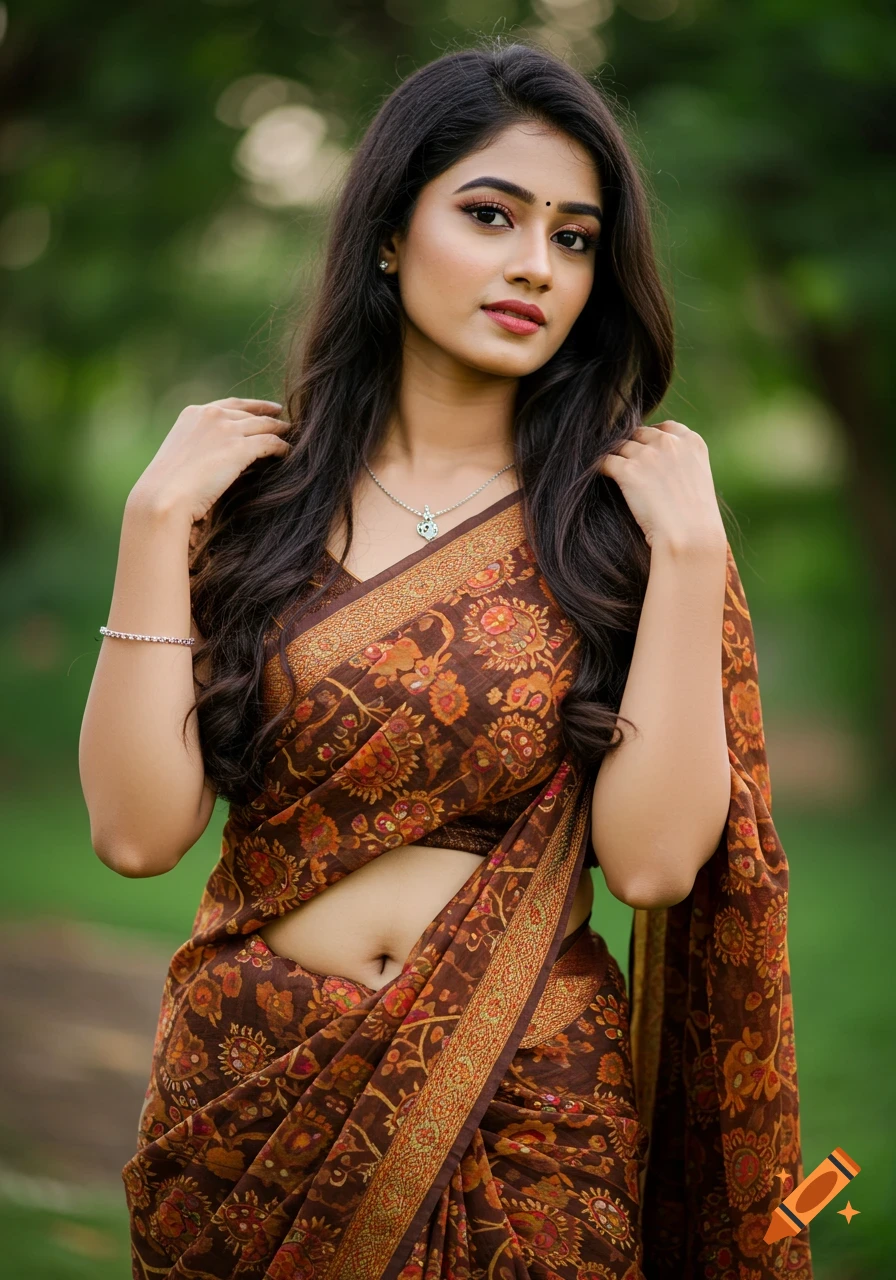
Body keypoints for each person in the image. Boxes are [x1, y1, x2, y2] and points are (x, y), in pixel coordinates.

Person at [79, 38, 813, 1280]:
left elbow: (649, 864)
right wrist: (153, 527)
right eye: (489, 214)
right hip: (249, 1091)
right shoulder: (249, 508)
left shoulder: (622, 530)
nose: (536, 264)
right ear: (387, 232)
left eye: (574, 238)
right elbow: (137, 834)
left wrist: (691, 558)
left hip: (525, 1110)